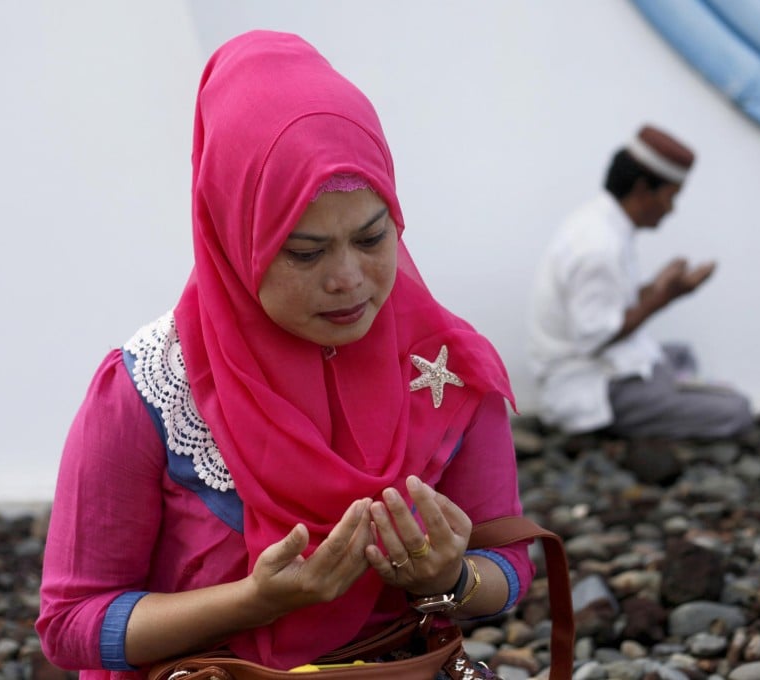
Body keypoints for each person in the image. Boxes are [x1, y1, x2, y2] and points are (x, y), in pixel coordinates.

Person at [36, 30, 531, 678]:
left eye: (372, 236)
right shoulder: (151, 390)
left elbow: (510, 567)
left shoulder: (444, 368)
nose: (350, 278)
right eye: (306, 251)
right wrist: (255, 601)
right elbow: (70, 624)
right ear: (232, 237)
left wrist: (451, 577)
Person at [527, 125, 752, 442]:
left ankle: (678, 398)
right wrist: (664, 298)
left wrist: (658, 287)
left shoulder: (603, 223)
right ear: (644, 190)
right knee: (737, 410)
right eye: (671, 197)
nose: (671, 209)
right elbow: (593, 336)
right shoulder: (598, 246)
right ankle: (644, 421)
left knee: (680, 354)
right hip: (591, 387)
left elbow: (611, 305)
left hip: (607, 369)